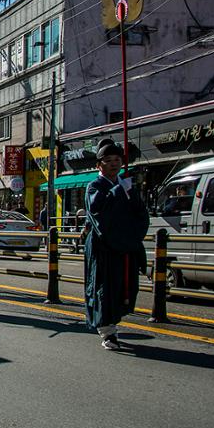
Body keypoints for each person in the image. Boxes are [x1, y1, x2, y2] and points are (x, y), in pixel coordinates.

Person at [84, 139, 149, 350]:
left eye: (117, 160)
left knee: (124, 288)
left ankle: (113, 324)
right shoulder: (95, 186)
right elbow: (99, 214)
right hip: (104, 247)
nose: (114, 164)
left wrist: (133, 235)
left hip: (125, 245)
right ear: (99, 165)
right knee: (105, 288)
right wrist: (118, 192)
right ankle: (108, 332)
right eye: (108, 160)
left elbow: (140, 214)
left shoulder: (125, 185)